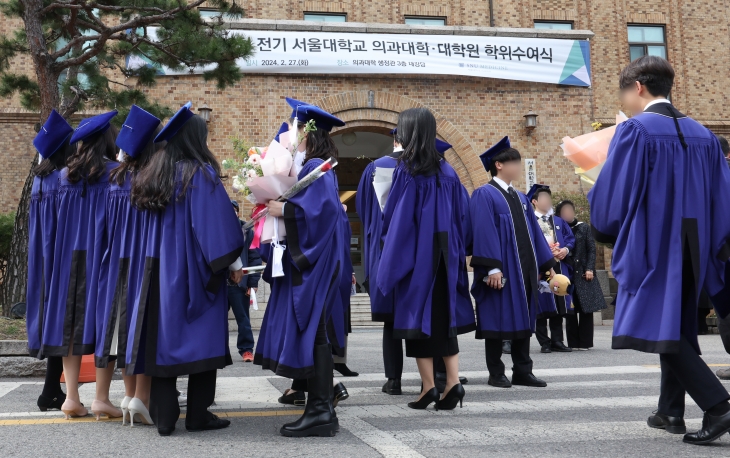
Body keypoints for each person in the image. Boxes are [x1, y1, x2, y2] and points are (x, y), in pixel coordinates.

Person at [588, 56, 730, 444]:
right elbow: (724, 198)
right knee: (677, 325)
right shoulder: (703, 134)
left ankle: (719, 407)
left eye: (623, 92)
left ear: (637, 87)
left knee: (658, 328)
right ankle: (671, 411)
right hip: (698, 250)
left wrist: (602, 220)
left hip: (656, 249)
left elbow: (613, 197)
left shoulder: (635, 131)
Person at [128, 104, 245, 436]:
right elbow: (217, 231)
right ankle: (197, 415)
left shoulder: (150, 177)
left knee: (163, 343)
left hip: (155, 275)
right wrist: (234, 264)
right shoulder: (199, 175)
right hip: (193, 274)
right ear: (196, 139)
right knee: (203, 339)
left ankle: (164, 418)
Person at [255, 98, 347, 437]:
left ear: (307, 133)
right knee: (315, 330)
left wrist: (285, 212)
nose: (288, 136)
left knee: (316, 330)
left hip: (316, 263)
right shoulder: (312, 167)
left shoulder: (317, 167)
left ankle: (322, 410)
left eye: (293, 129)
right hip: (318, 260)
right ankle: (320, 406)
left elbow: (322, 215)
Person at [377, 107, 475, 411]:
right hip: (448, 256)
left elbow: (398, 218)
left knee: (417, 319)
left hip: (419, 258)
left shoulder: (408, 170)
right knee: (444, 320)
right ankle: (454, 383)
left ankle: (430, 388)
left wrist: (389, 259)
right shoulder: (449, 171)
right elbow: (463, 216)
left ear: (409, 132)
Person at [356, 129, 465, 395]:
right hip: (431, 254)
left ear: (395, 140)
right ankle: (441, 378)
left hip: (388, 251)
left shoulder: (375, 168)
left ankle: (393, 380)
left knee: (392, 322)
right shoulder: (440, 169)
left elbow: (362, 208)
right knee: (432, 314)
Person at [42, 110, 120, 419]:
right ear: (108, 141)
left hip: (68, 260)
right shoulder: (116, 174)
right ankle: (101, 397)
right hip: (102, 259)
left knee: (71, 327)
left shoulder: (64, 176)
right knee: (105, 323)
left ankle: (71, 397)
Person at [470, 136, 556, 389]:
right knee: (496, 318)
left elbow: (534, 233)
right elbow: (482, 231)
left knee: (523, 318)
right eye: (515, 162)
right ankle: (496, 372)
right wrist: (492, 267)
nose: (519, 167)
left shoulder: (519, 198)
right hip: (502, 271)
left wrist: (545, 264)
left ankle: (522, 370)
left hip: (524, 271)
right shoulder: (484, 194)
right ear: (499, 164)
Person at [94, 105, 162, 426]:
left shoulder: (114, 181)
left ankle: (126, 395)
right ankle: (140, 398)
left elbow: (104, 229)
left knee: (121, 329)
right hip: (143, 263)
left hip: (115, 262)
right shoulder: (152, 182)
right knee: (142, 327)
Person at [27, 110, 75, 412]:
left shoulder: (39, 180)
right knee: (62, 320)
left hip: (41, 256)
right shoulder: (62, 180)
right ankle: (50, 390)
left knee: (51, 318)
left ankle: (51, 389)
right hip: (60, 254)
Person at [529, 185, 574, 353]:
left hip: (559, 265)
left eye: (549, 198)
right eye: (544, 198)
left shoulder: (557, 221)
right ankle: (544, 342)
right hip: (540, 266)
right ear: (534, 201)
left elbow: (570, 238)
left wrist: (565, 250)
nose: (548, 201)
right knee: (542, 303)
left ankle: (557, 340)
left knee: (559, 301)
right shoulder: (530, 220)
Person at [555, 200, 606, 350]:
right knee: (570, 308)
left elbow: (591, 249)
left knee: (586, 308)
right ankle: (572, 343)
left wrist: (590, 268)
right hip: (566, 272)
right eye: (564, 211)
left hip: (583, 272)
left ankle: (585, 343)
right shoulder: (558, 229)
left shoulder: (583, 227)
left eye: (570, 210)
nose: (568, 213)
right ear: (559, 214)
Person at [228, 199, 262, 363]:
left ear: (238, 212)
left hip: (239, 284)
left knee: (243, 319)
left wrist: (253, 282)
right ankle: (220, 351)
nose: (231, 214)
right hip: (219, 285)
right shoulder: (216, 230)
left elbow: (255, 258)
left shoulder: (247, 231)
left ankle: (247, 350)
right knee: (217, 321)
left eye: (234, 210)